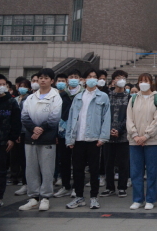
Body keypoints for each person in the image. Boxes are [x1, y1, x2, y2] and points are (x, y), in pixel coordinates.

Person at [65, 69, 111, 210]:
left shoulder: (103, 96)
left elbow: (106, 118)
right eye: (89, 77)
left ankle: (93, 197)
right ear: (84, 80)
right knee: (77, 169)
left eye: (95, 77)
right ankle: (79, 197)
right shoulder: (78, 97)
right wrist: (69, 138)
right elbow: (71, 118)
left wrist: (103, 137)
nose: (92, 79)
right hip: (78, 138)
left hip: (94, 139)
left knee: (94, 170)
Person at [19, 68, 63, 212]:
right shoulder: (30, 98)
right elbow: (24, 116)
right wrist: (33, 129)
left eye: (46, 78)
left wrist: (40, 130)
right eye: (40, 78)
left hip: (47, 138)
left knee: (47, 169)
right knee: (31, 169)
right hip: (30, 137)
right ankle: (33, 197)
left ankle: (45, 197)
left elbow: (54, 118)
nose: (42, 80)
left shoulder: (56, 97)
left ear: (52, 81)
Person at [127, 73, 157, 210]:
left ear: (151, 83)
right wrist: (135, 135)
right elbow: (129, 118)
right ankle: (137, 199)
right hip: (135, 141)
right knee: (136, 171)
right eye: (141, 81)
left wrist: (146, 136)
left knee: (152, 171)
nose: (143, 83)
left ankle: (150, 199)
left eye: (146, 81)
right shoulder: (133, 99)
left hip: (152, 141)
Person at [99, 70, 130, 198]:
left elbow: (129, 117)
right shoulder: (107, 96)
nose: (121, 80)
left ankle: (122, 187)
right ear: (113, 81)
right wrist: (109, 129)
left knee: (123, 164)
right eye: (118, 77)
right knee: (108, 163)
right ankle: (109, 187)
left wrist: (119, 130)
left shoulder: (129, 98)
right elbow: (103, 114)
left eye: (123, 77)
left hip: (123, 136)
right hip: (108, 135)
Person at [53, 70, 83, 198]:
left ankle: (77, 187)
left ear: (80, 79)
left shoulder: (83, 94)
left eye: (76, 77)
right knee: (64, 161)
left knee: (78, 162)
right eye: (71, 77)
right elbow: (55, 114)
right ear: (67, 80)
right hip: (62, 132)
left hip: (78, 132)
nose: (73, 79)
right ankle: (65, 186)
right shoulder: (60, 95)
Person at [0, 73, 22, 208]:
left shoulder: (11, 102)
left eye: (3, 84)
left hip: (2, 142)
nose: (1, 87)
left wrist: (12, 138)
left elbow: (16, 122)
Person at [10, 79, 30, 194]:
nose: (22, 88)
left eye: (25, 86)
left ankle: (27, 183)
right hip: (18, 132)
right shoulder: (14, 100)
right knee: (19, 158)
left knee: (27, 160)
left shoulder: (29, 99)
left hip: (27, 132)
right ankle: (21, 181)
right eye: (20, 86)